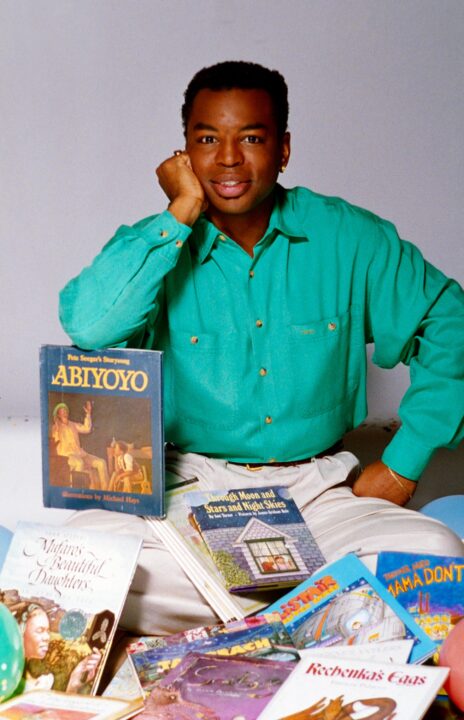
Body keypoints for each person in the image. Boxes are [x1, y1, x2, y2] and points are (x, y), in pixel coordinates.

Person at [59, 61, 464, 635]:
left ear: (283, 148)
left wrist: (401, 466)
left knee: (436, 550)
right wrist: (179, 213)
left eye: (250, 138)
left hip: (318, 494)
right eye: (207, 140)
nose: (227, 159)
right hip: (192, 491)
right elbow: (91, 325)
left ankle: (239, 619)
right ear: (184, 155)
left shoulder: (348, 236)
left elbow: (452, 322)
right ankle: (313, 617)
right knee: (81, 560)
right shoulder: (162, 242)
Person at [19, 603, 102, 693]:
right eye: (40, 630)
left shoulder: (44, 682)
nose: (47, 637)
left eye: (48, 631)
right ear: (20, 631)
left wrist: (73, 684)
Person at [51, 400, 109, 490]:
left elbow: (87, 429)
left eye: (65, 410)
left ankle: (106, 492)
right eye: (62, 411)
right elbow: (55, 441)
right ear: (58, 414)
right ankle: (77, 492)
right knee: (79, 463)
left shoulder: (73, 424)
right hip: (67, 456)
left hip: (80, 454)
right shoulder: (56, 428)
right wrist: (57, 426)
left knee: (101, 463)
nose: (65, 412)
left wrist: (88, 414)